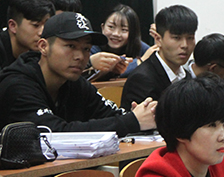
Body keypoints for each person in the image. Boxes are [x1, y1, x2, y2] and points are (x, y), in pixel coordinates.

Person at [0, 12, 156, 136]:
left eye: (86, 49)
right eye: (70, 46)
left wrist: (143, 114)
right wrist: (130, 122)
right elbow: (53, 133)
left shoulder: (76, 83)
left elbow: (112, 115)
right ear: (43, 47)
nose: (80, 56)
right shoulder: (17, 85)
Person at [121, 5, 197, 110]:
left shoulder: (186, 76)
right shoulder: (141, 80)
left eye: (190, 38)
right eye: (176, 38)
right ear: (158, 39)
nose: (185, 45)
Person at [88, 4, 158, 81]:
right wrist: (140, 61)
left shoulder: (141, 48)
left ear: (132, 33)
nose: (116, 34)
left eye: (124, 30)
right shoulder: (91, 47)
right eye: (111, 27)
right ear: (102, 27)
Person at [0, 0, 55, 70]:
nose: (42, 33)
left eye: (46, 25)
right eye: (36, 25)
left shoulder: (39, 53)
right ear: (13, 26)